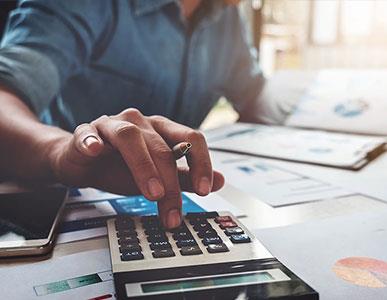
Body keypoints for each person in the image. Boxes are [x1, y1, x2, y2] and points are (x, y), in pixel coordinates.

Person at [0, 0, 266, 229]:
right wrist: (57, 151)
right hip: (56, 208)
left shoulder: (228, 15)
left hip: (159, 209)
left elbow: (255, 96)